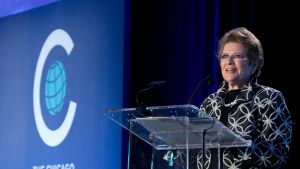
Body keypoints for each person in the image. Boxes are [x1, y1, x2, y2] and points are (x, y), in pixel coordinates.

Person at [196, 27, 292, 169]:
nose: (229, 61)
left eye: (237, 56)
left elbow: (278, 153)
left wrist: (238, 143)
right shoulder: (210, 103)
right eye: (224, 56)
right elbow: (192, 147)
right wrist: (170, 141)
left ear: (253, 63)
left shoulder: (269, 98)